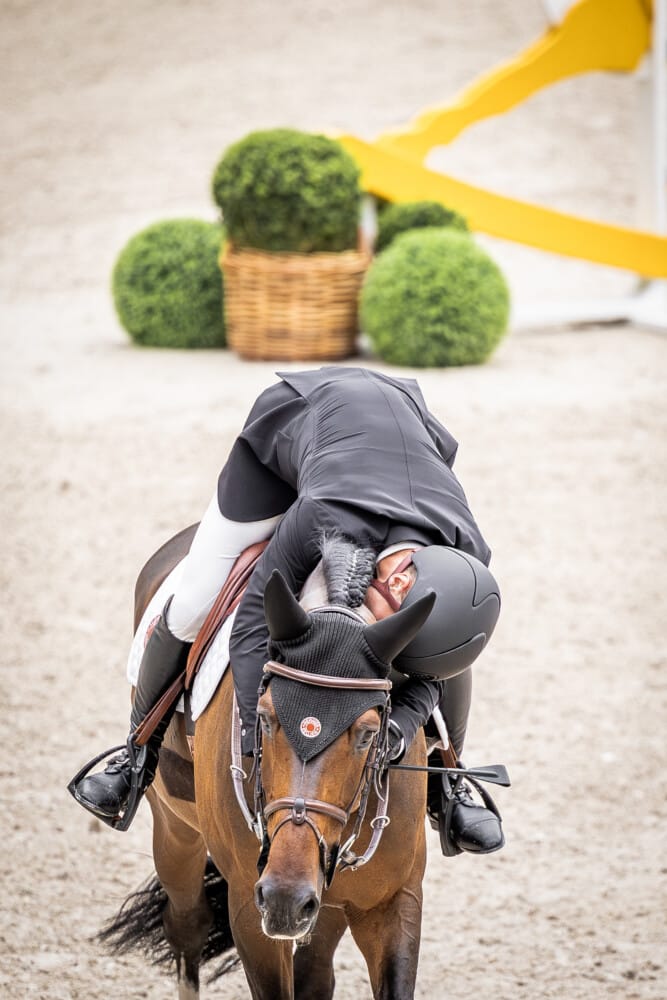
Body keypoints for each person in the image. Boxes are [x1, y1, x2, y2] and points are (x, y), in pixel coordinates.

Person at [72, 366, 504, 854]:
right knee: (194, 599)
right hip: (289, 439)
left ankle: (450, 782)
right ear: (399, 578)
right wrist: (258, 738)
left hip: (400, 432)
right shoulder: (322, 510)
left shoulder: (468, 554)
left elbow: (435, 667)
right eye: (382, 608)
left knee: (446, 651)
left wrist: (401, 731)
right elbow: (254, 624)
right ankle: (136, 755)